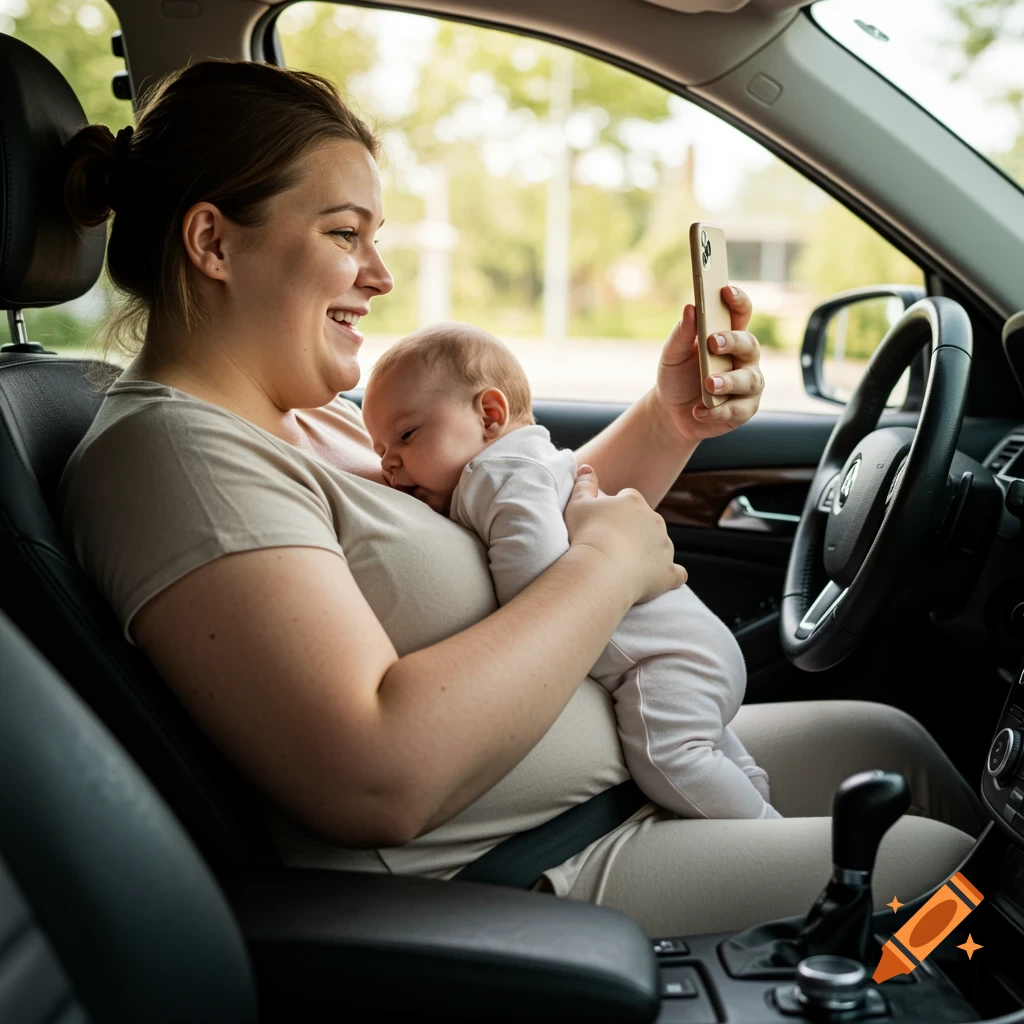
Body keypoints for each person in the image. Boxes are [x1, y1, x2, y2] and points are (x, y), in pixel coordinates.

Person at [56, 57, 985, 938]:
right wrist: (609, 571)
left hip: (624, 782)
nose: (380, 275)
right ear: (213, 241)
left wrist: (670, 421)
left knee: (893, 744)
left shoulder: (323, 421)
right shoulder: (176, 457)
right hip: (533, 875)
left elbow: (523, 506)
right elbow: (375, 777)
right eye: (345, 234)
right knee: (949, 878)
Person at [362, 322, 781, 822]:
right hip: (688, 647)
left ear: (490, 415)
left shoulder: (495, 476)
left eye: (406, 436)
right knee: (709, 748)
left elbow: (536, 579)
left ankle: (757, 828)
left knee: (671, 757)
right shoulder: (525, 463)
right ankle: (759, 801)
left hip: (662, 659)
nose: (389, 463)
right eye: (380, 450)